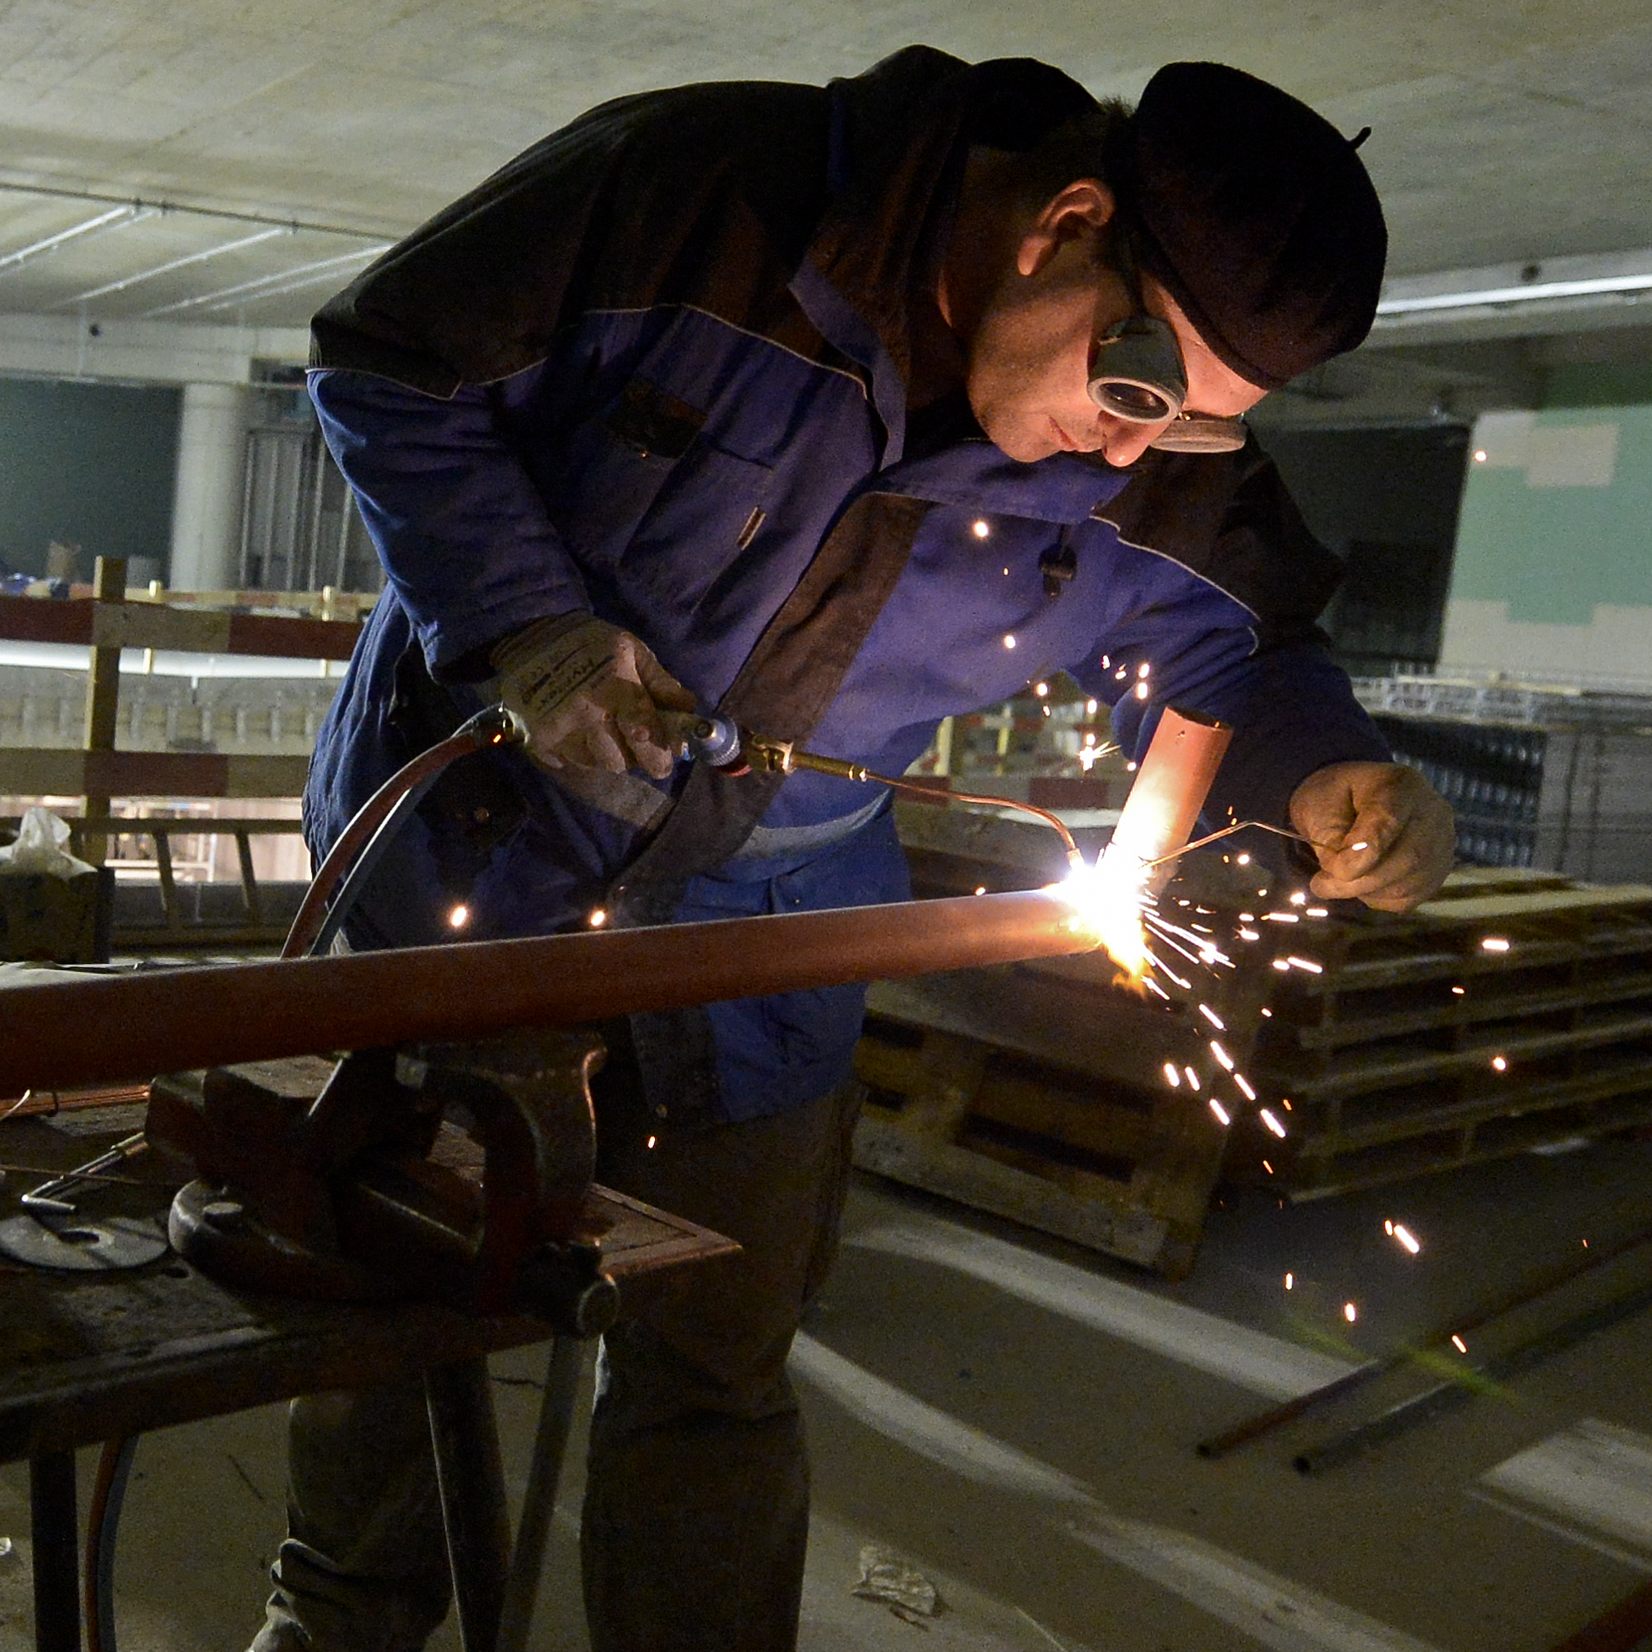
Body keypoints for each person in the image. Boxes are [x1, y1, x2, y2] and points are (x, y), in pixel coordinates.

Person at [255, 45, 1455, 1652]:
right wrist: (527, 625)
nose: (1127, 456)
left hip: (770, 934)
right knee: (395, 1336)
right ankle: (339, 1626)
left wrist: (1336, 768)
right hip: (478, 863)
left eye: (1187, 437)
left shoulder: (1157, 460)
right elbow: (391, 357)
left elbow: (1254, 642)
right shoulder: (698, 200)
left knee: (715, 1377)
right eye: (1138, 393)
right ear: (1063, 227)